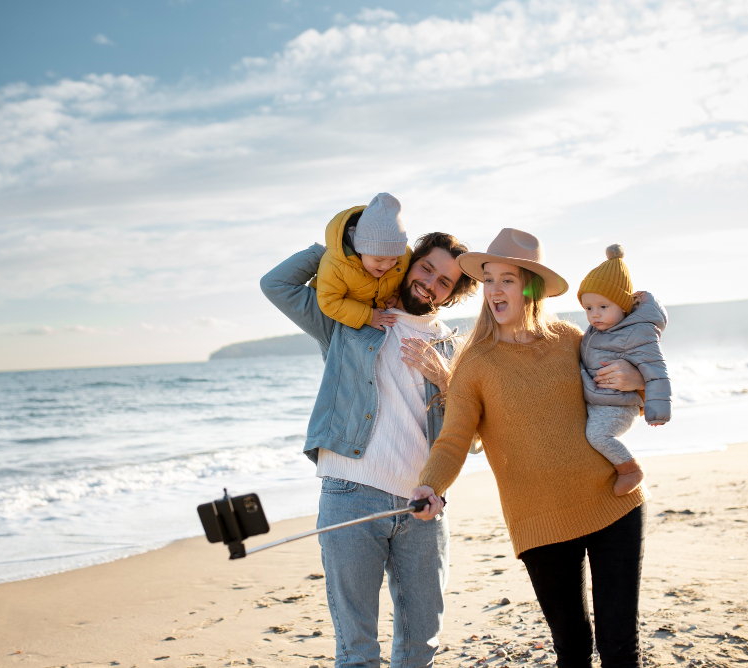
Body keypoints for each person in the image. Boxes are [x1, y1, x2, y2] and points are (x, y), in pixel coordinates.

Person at [411, 228, 648, 667]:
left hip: (613, 501)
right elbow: (455, 438)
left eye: (507, 279)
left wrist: (639, 382)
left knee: (620, 645)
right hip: (538, 521)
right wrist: (431, 486)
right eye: (488, 279)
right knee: (572, 648)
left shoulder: (570, 339)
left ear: (530, 287)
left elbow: (630, 377)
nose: (494, 290)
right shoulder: (475, 363)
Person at [260, 218, 478, 668]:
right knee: (357, 651)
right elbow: (276, 283)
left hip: (424, 504)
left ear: (452, 294)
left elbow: (473, 438)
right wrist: (350, 249)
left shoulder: (454, 348)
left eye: (444, 281)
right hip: (350, 494)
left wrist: (444, 377)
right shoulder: (349, 317)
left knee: (420, 648)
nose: (430, 283)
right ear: (408, 263)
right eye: (426, 269)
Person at [578, 243, 672, 496]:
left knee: (598, 437)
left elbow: (656, 370)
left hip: (619, 406)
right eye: (588, 308)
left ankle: (631, 470)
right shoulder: (598, 330)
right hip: (600, 400)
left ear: (623, 306)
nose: (594, 315)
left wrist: (657, 412)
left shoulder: (638, 332)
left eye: (603, 307)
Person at [314, 193, 411, 331]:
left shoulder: (404, 257)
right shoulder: (336, 266)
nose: (386, 266)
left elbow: (404, 280)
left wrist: (396, 296)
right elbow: (329, 302)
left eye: (393, 259)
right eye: (378, 259)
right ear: (359, 250)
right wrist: (368, 316)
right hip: (339, 319)